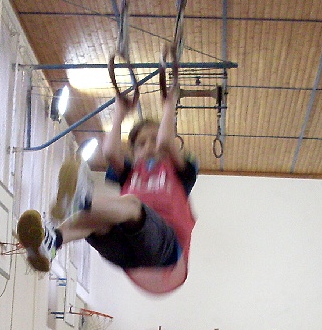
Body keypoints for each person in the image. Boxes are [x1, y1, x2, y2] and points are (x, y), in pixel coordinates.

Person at [16, 81, 197, 294]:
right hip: (127, 253)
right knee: (99, 221)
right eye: (141, 144)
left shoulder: (180, 171)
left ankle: (82, 202)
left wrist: (169, 104)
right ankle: (52, 242)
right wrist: (119, 112)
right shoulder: (131, 172)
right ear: (134, 153)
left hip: (164, 246)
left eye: (154, 140)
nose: (149, 146)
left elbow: (166, 142)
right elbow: (110, 151)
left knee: (131, 204)